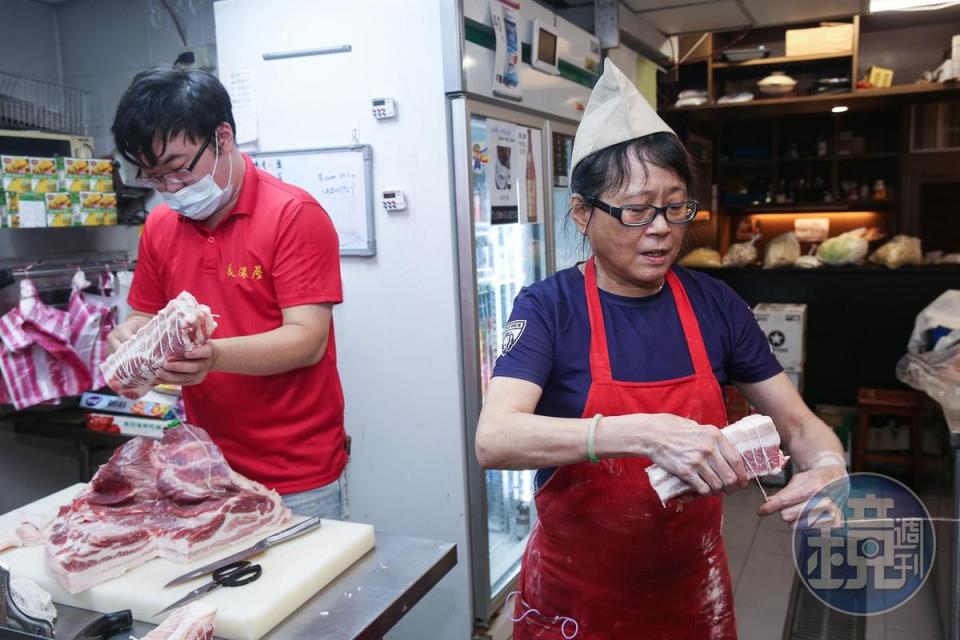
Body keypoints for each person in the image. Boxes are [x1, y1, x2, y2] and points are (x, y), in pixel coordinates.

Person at [474, 60, 847, 639]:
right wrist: (640, 433)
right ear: (582, 213)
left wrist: (828, 466)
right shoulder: (549, 308)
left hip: (689, 594)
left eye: (677, 206)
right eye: (636, 210)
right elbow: (495, 439)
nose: (661, 229)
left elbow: (798, 424)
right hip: (577, 603)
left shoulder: (715, 304)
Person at [108, 68, 347, 519]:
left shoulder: (293, 215)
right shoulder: (160, 225)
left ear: (223, 137)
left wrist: (214, 356)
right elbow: (144, 314)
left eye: (179, 169)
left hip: (297, 473)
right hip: (203, 465)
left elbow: (307, 339)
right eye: (154, 177)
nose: (171, 189)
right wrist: (129, 336)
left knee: (305, 589)